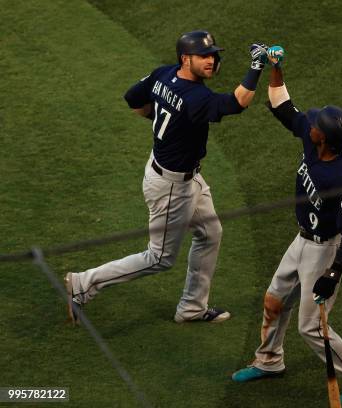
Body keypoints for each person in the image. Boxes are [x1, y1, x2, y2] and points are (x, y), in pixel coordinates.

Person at [63, 31, 268, 325]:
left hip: (179, 175)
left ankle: (192, 308)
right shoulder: (196, 96)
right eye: (204, 56)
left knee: (211, 234)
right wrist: (257, 65)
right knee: (159, 258)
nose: (211, 61)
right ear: (186, 59)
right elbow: (237, 103)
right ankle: (83, 283)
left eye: (213, 56)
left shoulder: (163, 74)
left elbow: (134, 100)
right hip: (172, 186)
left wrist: (169, 121)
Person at [231, 46, 342, 406]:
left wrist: (334, 272)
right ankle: (268, 360)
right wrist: (276, 68)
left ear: (325, 138)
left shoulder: (337, 176)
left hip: (324, 251)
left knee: (310, 326)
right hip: (301, 240)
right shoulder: (312, 143)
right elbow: (282, 104)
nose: (309, 125)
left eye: (315, 126)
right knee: (275, 299)